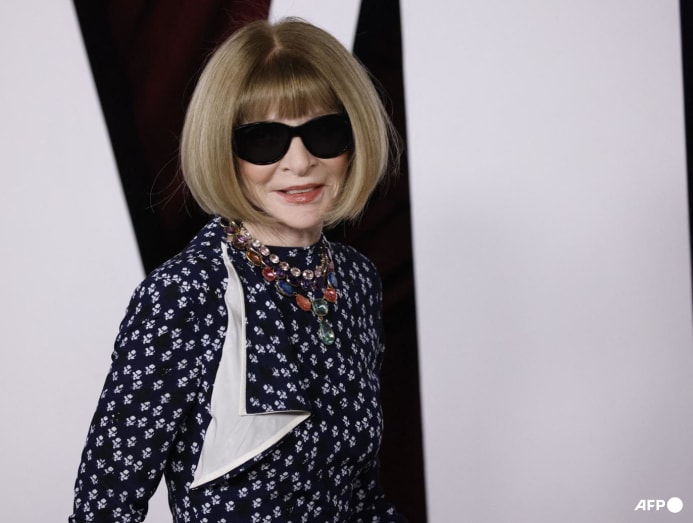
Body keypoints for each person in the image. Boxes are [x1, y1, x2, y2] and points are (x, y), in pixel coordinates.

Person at [69, 17, 406, 523]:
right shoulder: (186, 294)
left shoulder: (354, 281)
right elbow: (105, 506)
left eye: (325, 132)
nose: (300, 163)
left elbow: (360, 497)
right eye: (264, 140)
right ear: (223, 149)